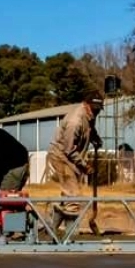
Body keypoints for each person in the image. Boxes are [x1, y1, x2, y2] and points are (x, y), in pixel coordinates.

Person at [46, 91, 104, 225]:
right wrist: (84, 165)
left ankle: (52, 228)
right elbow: (69, 149)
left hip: (70, 156)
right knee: (73, 196)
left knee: (68, 194)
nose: (95, 113)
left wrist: (95, 138)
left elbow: (90, 128)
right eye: (93, 109)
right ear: (85, 104)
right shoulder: (75, 121)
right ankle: (69, 237)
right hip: (61, 156)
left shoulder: (90, 115)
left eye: (98, 110)